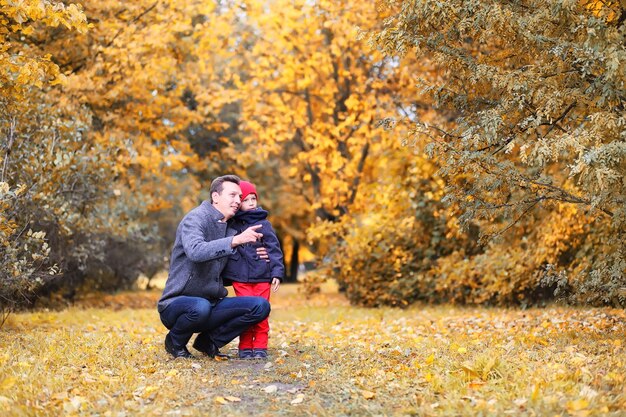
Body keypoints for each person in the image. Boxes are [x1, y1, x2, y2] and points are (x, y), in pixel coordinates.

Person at [157, 175, 271, 359]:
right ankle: (175, 342)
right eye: (232, 195)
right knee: (199, 307)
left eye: (239, 196)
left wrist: (263, 260)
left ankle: (209, 341)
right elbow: (196, 251)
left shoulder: (230, 228)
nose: (237, 200)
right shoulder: (195, 219)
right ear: (215, 197)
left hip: (211, 303)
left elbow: (232, 272)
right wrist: (234, 241)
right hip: (177, 304)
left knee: (260, 306)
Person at [222, 181, 284, 359]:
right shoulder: (231, 225)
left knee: (262, 312)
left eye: (253, 199)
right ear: (239, 202)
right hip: (240, 278)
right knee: (246, 312)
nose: (251, 203)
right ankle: (245, 347)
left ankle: (260, 347)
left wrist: (276, 273)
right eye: (246, 199)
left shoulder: (264, 224)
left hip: (262, 276)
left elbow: (274, 249)